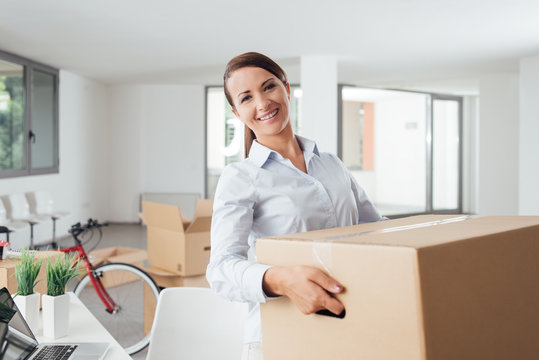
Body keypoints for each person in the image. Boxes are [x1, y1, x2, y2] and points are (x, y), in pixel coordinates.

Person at [206, 52, 385, 360]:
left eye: (269, 87)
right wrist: (281, 279)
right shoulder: (241, 177)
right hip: (280, 334)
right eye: (246, 98)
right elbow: (221, 270)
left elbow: (378, 230)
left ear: (287, 88)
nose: (262, 103)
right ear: (237, 114)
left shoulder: (331, 164)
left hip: (352, 320)